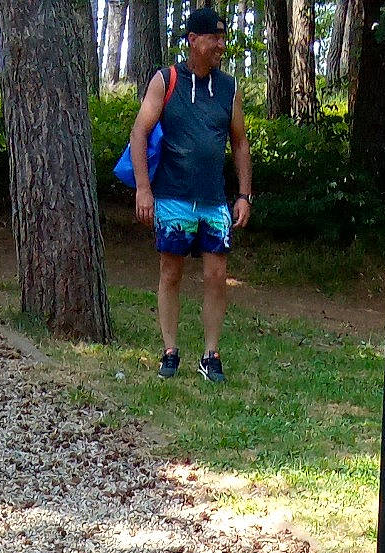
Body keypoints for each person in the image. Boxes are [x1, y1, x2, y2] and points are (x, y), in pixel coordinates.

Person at [127, 5, 251, 385]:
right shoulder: (167, 80)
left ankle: (211, 355)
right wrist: (144, 189)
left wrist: (244, 195)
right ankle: (170, 351)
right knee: (171, 272)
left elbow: (240, 143)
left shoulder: (228, 88)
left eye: (223, 38)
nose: (221, 45)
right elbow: (139, 133)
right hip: (173, 197)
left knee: (217, 275)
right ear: (193, 40)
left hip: (214, 200)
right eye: (214, 38)